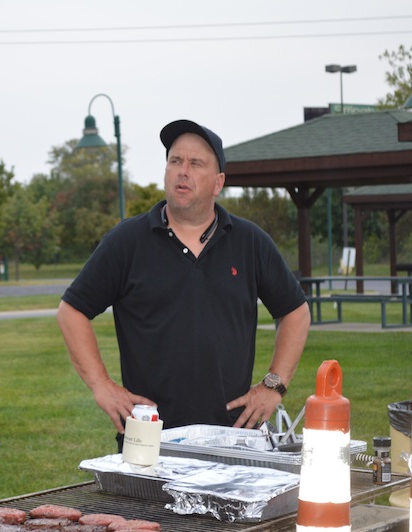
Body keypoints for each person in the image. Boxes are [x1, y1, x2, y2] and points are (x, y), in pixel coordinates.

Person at [57, 119, 310, 444]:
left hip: (231, 437)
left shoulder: (250, 242)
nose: (182, 170)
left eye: (195, 163)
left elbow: (295, 312)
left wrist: (274, 385)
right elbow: (72, 311)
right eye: (175, 161)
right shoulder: (126, 242)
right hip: (149, 439)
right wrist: (101, 386)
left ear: (218, 182)